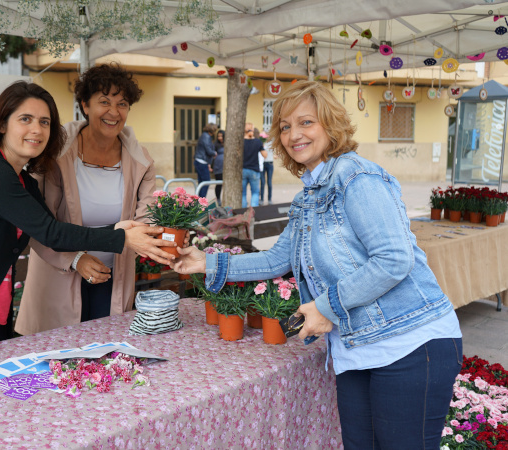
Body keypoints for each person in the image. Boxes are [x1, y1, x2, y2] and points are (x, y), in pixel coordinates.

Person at [172, 81, 462, 450]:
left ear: (330, 125)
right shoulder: (308, 196)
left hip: (410, 341)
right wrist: (205, 263)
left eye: (306, 122)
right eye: (286, 126)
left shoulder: (356, 176)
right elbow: (278, 260)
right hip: (358, 348)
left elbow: (394, 260)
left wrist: (327, 307)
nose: (295, 134)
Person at [0, 81, 176, 364]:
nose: (37, 130)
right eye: (25, 119)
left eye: (45, 122)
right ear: (2, 124)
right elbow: (50, 232)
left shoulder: (23, 180)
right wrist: (121, 236)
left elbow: (49, 226)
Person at [15, 64, 156, 334]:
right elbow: (39, 226)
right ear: (85, 105)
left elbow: (144, 221)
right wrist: (77, 259)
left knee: (107, 362)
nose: (114, 112)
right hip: (58, 277)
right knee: (58, 363)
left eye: (122, 103)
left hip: (113, 279)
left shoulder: (142, 161)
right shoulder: (55, 155)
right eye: (104, 102)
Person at [242, 122, 267, 207]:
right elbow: (265, 155)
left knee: (243, 194)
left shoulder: (240, 142)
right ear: (252, 130)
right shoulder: (257, 142)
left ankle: (243, 213)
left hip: (243, 170)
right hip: (254, 170)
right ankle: (253, 214)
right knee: (255, 193)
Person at [195, 123, 217, 198]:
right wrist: (214, 153)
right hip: (202, 161)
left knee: (202, 182)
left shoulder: (204, 136)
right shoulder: (206, 137)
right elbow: (208, 150)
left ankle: (199, 200)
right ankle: (201, 199)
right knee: (206, 181)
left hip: (200, 160)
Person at [259, 131, 275, 205]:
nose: (267, 136)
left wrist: (275, 156)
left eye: (268, 135)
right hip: (262, 164)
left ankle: (269, 199)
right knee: (262, 182)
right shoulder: (262, 143)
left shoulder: (272, 143)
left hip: (270, 164)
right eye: (265, 135)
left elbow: (277, 152)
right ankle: (261, 199)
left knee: (269, 182)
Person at [212, 129, 225, 206]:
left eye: (221, 136)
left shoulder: (228, 143)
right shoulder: (215, 144)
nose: (220, 137)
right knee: (218, 184)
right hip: (218, 167)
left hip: (226, 168)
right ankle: (218, 199)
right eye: (218, 136)